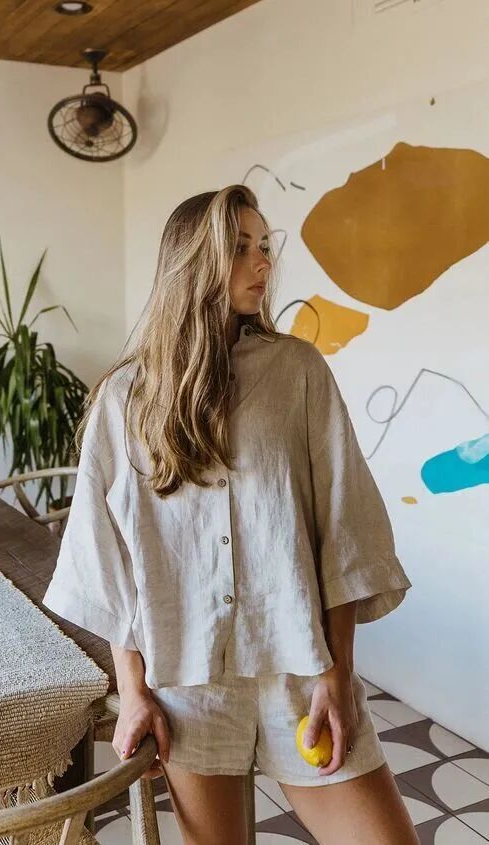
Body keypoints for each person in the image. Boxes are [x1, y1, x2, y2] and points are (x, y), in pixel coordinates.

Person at [42, 184, 419, 844]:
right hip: (187, 683)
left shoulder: (298, 372)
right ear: (194, 260)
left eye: (264, 245)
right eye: (241, 247)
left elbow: (344, 530)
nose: (263, 262)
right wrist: (133, 691)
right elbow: (108, 559)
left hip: (300, 672)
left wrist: (338, 673)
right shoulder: (125, 399)